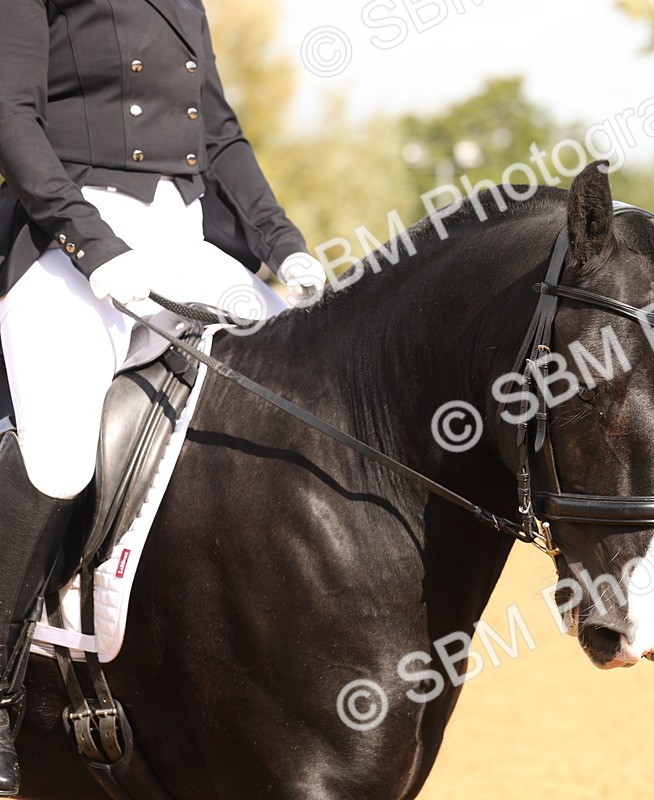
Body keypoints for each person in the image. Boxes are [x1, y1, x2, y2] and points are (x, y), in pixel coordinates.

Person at [0, 1, 327, 792]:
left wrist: (284, 244)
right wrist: (94, 249)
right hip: (72, 241)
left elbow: (219, 135)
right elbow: (10, 116)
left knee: (304, 395)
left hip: (185, 243)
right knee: (58, 461)